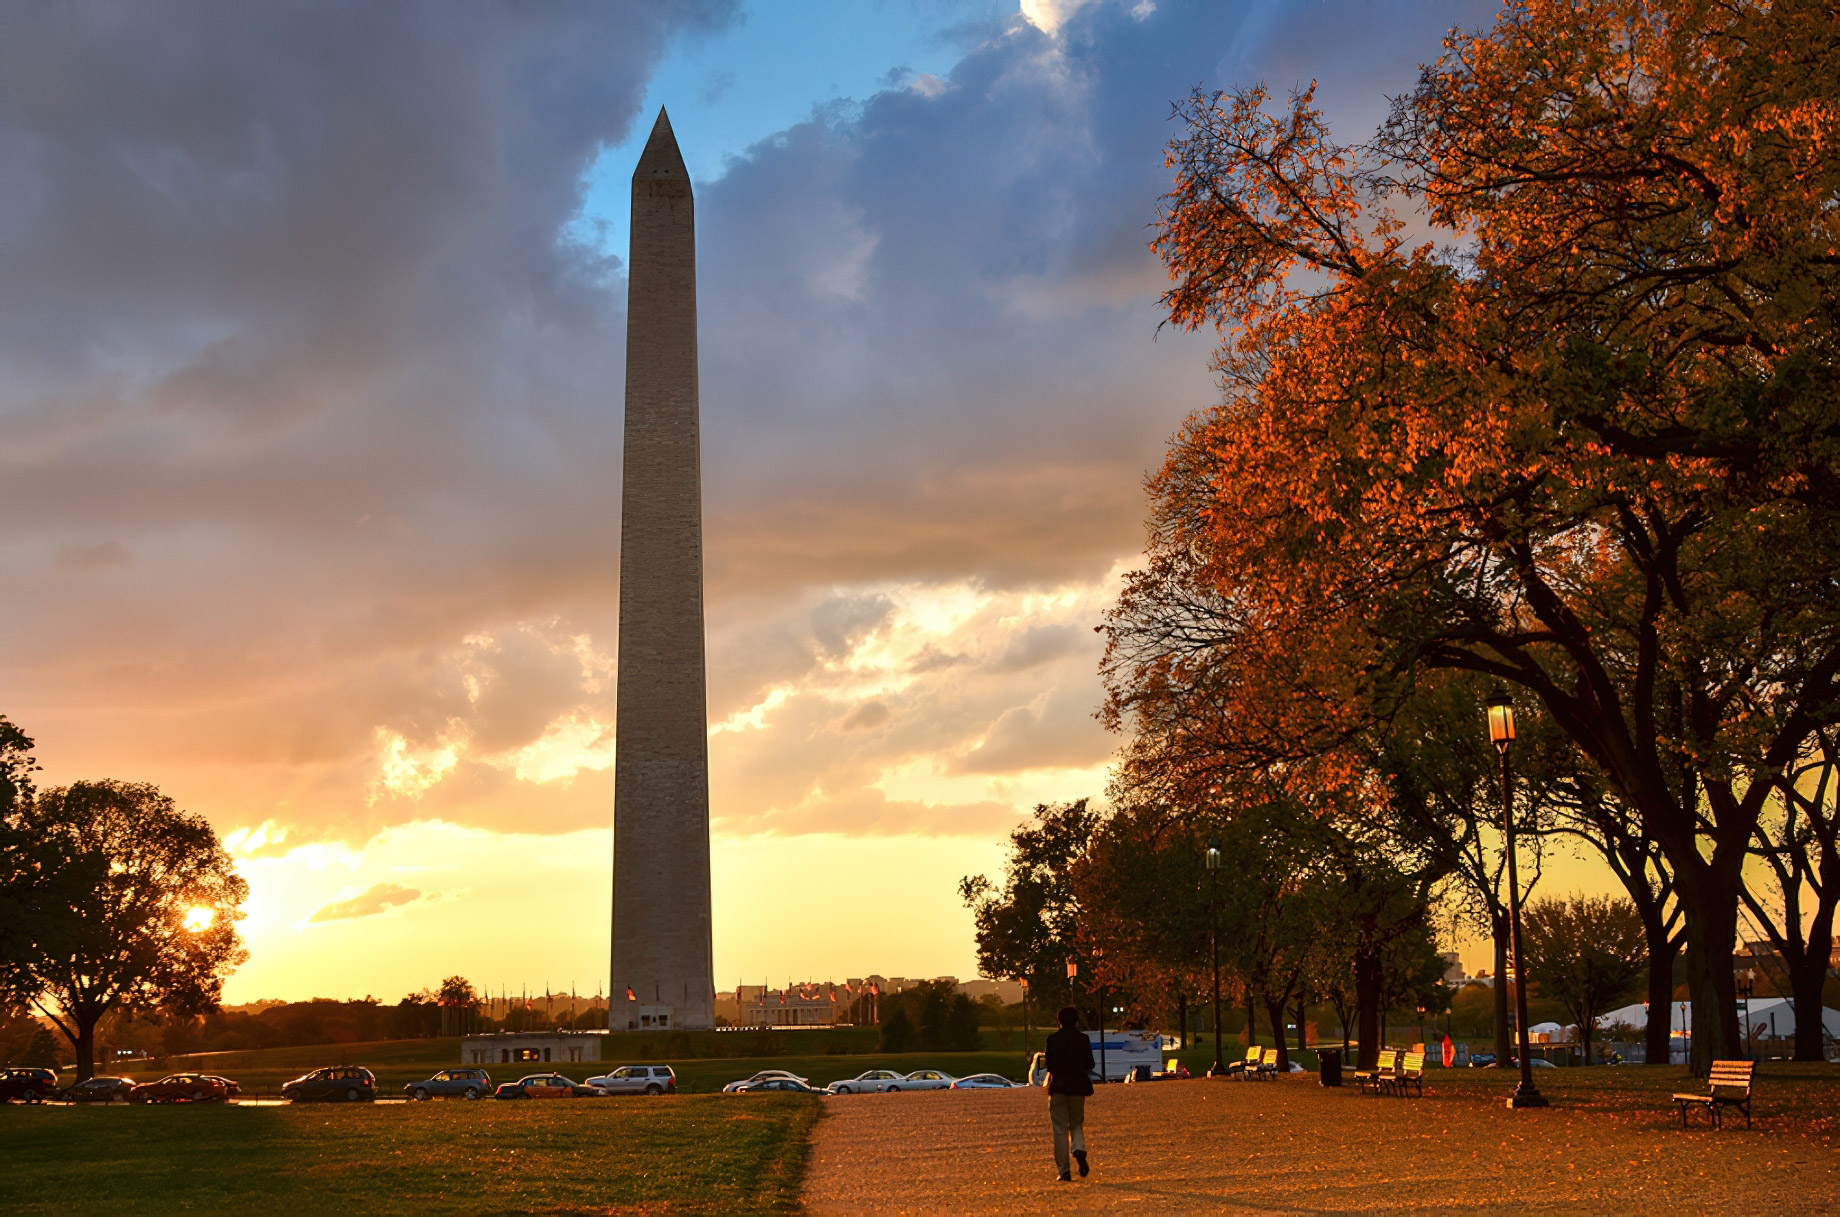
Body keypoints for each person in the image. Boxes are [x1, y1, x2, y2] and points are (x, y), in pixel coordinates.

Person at [1042, 1005, 1094, 1181]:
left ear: (1059, 1021)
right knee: (1077, 1122)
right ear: (1076, 1020)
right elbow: (1090, 1064)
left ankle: (1064, 1170)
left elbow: (1049, 1065)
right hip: (1078, 1086)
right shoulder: (1083, 1039)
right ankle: (1078, 1148)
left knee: (1060, 1129)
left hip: (1059, 1086)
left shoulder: (1052, 1039)